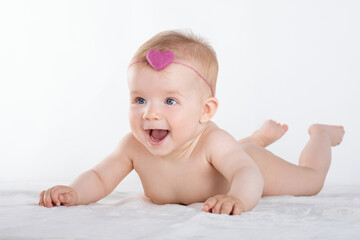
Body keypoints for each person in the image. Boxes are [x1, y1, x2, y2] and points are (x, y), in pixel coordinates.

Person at [39, 30, 345, 215]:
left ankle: (319, 135)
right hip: (229, 157)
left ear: (205, 111)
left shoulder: (213, 141)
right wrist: (74, 193)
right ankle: (255, 138)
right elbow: (100, 177)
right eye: (140, 99)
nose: (150, 113)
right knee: (234, 150)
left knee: (310, 181)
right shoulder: (133, 146)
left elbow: (246, 172)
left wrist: (238, 197)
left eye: (169, 101)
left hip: (251, 163)